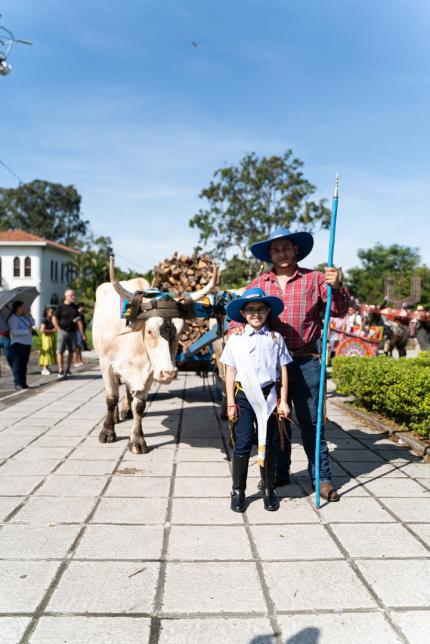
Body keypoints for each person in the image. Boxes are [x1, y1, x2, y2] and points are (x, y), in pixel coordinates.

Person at [229, 227, 349, 502]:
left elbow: (340, 310)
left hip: (306, 360)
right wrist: (233, 330)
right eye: (275, 249)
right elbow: (240, 316)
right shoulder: (260, 283)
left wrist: (338, 286)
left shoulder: (315, 279)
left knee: (311, 422)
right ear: (269, 254)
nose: (281, 253)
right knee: (276, 421)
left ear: (296, 250)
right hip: (271, 366)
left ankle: (322, 479)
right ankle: (280, 472)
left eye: (285, 247)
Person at [220, 288, 292, 512]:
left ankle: (269, 489)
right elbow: (230, 372)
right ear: (243, 313)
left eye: (260, 309)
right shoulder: (236, 339)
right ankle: (238, 490)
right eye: (250, 310)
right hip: (243, 398)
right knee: (242, 444)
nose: (256, 314)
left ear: (268, 311)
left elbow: (283, 371)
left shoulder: (276, 338)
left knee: (269, 444)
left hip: (269, 398)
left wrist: (283, 401)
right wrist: (230, 402)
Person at [53, 289, 85, 379]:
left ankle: (68, 369)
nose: (73, 297)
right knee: (60, 351)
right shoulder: (60, 307)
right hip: (63, 331)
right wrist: (58, 328)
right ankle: (60, 370)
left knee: (72, 351)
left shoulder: (75, 307)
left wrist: (82, 334)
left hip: (73, 332)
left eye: (74, 295)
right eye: (71, 296)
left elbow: (79, 321)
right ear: (66, 296)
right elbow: (54, 318)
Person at [8, 300, 35, 390]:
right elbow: (15, 332)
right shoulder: (13, 318)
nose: (25, 308)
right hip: (18, 344)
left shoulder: (25, 317)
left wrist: (29, 315)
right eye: (23, 307)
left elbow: (33, 323)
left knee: (24, 364)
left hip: (27, 343)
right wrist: (27, 331)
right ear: (18, 308)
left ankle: (23, 383)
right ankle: (17, 383)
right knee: (18, 364)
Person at [39, 306, 57, 375]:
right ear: (47, 313)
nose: (52, 313)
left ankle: (47, 367)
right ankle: (44, 368)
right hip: (46, 337)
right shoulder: (44, 320)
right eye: (51, 312)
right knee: (47, 351)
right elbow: (42, 330)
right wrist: (51, 330)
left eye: (53, 312)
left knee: (51, 351)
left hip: (51, 336)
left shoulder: (51, 319)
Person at [74, 302, 88, 366]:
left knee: (79, 347)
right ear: (80, 307)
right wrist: (83, 334)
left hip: (80, 331)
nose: (84, 308)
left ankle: (80, 359)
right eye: (83, 306)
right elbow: (80, 324)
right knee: (77, 346)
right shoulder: (78, 314)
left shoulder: (81, 314)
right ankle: (76, 360)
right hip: (78, 331)